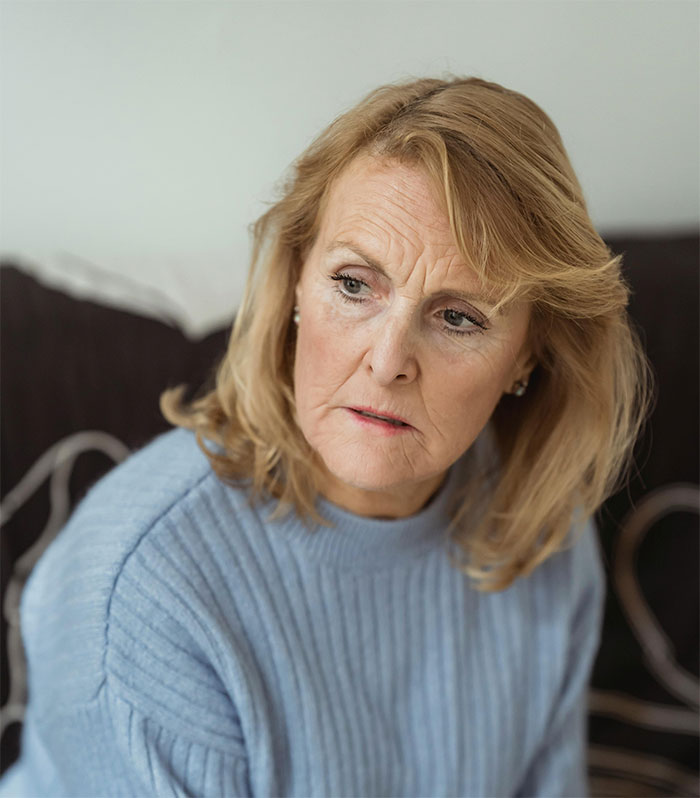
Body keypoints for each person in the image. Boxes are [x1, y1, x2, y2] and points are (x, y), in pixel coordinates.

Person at [0, 76, 649, 797]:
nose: (387, 360)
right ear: (297, 284)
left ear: (529, 353)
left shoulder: (542, 528)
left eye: (458, 317)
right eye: (354, 284)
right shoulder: (144, 589)